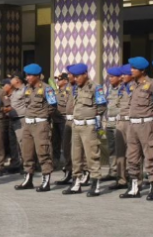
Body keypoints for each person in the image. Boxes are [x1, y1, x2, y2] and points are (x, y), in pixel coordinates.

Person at [62, 63, 107, 197]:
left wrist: (91, 116)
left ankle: (95, 183)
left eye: (78, 76)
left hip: (89, 126)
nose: (75, 79)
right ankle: (76, 183)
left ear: (85, 75)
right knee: (75, 156)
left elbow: (102, 106)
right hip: (76, 125)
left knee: (91, 155)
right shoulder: (75, 88)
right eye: (74, 76)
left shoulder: (95, 88)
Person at [14, 64, 56, 192]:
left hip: (40, 124)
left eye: (30, 75)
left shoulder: (46, 89)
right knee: (27, 152)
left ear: (37, 76)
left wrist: (43, 117)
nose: (27, 78)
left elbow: (52, 106)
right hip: (28, 124)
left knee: (43, 152)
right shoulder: (28, 88)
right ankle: (28, 179)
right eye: (27, 75)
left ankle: (46, 180)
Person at [121, 57, 153, 199]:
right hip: (132, 125)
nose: (131, 71)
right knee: (132, 156)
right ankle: (134, 187)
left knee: (150, 156)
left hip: (146, 124)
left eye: (134, 68)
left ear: (142, 70)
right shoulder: (133, 86)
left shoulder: (151, 85)